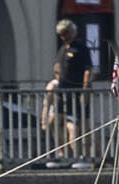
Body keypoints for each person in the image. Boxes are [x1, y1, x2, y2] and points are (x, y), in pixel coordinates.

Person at [48, 19, 93, 170]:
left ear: (71, 33)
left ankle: (81, 155)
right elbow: (58, 68)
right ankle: (62, 153)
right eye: (61, 35)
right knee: (54, 121)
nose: (63, 37)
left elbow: (88, 70)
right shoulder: (62, 49)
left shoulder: (81, 48)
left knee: (77, 125)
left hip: (77, 93)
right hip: (62, 92)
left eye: (65, 34)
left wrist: (85, 90)